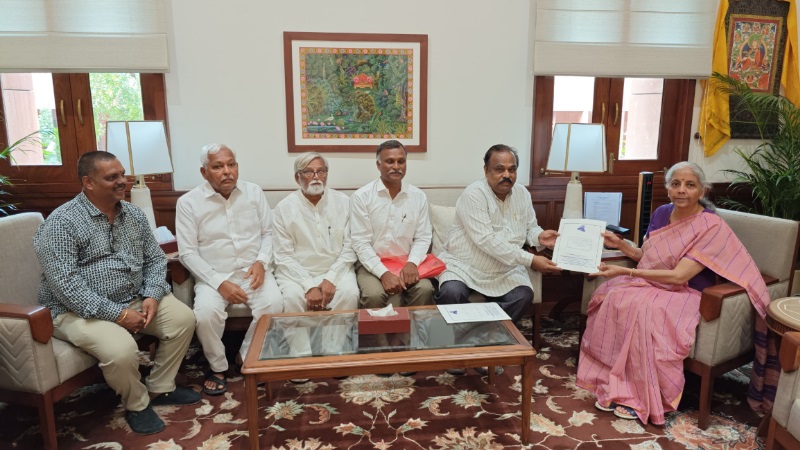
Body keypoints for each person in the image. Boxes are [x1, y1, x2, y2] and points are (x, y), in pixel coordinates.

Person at [576, 161, 770, 425]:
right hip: (653, 283)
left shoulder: (710, 226)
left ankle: (644, 394)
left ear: (702, 191)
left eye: (690, 185)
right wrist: (622, 246)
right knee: (613, 297)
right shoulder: (662, 213)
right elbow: (648, 256)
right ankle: (617, 383)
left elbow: (679, 276)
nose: (681, 190)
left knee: (646, 310)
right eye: (676, 184)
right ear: (668, 188)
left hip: (689, 292)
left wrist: (626, 272)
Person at [34, 151, 200, 435]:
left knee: (183, 319)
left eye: (122, 174)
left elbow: (155, 259)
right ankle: (137, 404)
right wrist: (119, 315)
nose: (123, 181)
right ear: (88, 182)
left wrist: (152, 295)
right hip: (74, 311)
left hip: (133, 297)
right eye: (112, 177)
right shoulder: (62, 222)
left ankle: (160, 387)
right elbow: (66, 286)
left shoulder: (133, 214)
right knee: (122, 351)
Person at [175, 144, 283, 396]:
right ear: (204, 172)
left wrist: (261, 262)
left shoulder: (253, 192)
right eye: (218, 166)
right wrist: (219, 282)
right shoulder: (188, 203)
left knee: (274, 304)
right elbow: (187, 253)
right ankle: (218, 367)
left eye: (231, 164)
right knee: (205, 314)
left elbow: (269, 233)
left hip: (252, 272)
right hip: (213, 276)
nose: (227, 171)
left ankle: (246, 357)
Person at [434, 144, 561, 323]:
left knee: (523, 296)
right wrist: (531, 260)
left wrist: (539, 237)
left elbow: (529, 228)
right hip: (464, 267)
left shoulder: (522, 194)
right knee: (451, 293)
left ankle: (482, 335)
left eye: (512, 169)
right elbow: (486, 240)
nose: (507, 175)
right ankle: (480, 334)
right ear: (486, 170)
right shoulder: (474, 194)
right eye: (499, 169)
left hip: (504, 270)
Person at [272, 153, 359, 364]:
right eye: (309, 172)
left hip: (336, 268)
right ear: (297, 177)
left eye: (321, 171)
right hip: (296, 272)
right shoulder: (283, 208)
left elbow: (350, 247)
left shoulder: (344, 203)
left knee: (349, 293)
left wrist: (331, 278)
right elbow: (283, 255)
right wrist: (308, 285)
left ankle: (334, 353)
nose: (316, 177)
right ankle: (300, 357)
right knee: (292, 297)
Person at [350, 140, 435, 310]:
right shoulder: (362, 197)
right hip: (372, 263)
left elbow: (423, 237)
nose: (396, 166)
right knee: (374, 295)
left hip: (406, 261)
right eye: (390, 161)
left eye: (401, 161)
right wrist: (383, 273)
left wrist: (412, 263)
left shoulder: (418, 197)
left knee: (425, 289)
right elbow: (360, 243)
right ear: (378, 165)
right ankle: (377, 330)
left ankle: (414, 329)